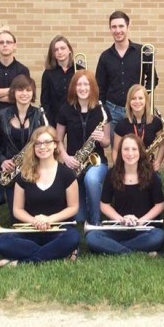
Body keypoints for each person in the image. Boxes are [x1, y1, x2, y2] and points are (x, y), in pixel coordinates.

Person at [0, 126, 80, 266]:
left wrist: (48, 219)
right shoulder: (24, 175)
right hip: (31, 229)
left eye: (47, 142)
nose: (42, 147)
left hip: (58, 229)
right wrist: (34, 221)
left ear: (55, 145)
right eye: (38, 143)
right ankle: (56, 253)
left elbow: (73, 207)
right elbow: (17, 209)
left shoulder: (67, 174)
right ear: (33, 147)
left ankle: (21, 262)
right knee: (2, 242)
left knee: (72, 238)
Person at [86, 134, 164, 255]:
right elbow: (104, 205)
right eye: (126, 149)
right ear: (120, 152)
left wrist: (141, 221)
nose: (130, 153)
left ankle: (116, 249)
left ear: (140, 152)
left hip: (143, 228)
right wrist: (121, 220)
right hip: (120, 227)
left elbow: (159, 204)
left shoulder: (151, 174)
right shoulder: (112, 174)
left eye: (134, 149)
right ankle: (135, 250)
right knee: (92, 237)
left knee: (159, 236)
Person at [0, 29, 30, 206]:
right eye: (1, 42)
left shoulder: (22, 69)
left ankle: (18, 197)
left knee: (18, 161)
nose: (5, 45)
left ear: (15, 45)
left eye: (9, 42)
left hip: (17, 124)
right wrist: (11, 91)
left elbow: (22, 95)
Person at [56, 70, 110, 225]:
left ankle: (95, 221)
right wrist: (66, 157)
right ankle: (86, 205)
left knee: (92, 179)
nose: (83, 88)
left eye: (86, 84)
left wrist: (102, 139)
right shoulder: (65, 110)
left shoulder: (102, 110)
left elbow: (106, 142)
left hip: (97, 162)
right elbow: (58, 140)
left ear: (92, 87)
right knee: (79, 218)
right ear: (74, 87)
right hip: (74, 164)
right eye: (79, 84)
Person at [96, 10, 159, 139]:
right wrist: (103, 113)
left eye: (121, 26)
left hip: (137, 110)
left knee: (140, 148)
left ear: (128, 26)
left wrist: (141, 96)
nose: (117, 30)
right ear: (110, 29)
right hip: (112, 111)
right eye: (114, 27)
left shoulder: (143, 52)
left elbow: (153, 79)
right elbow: (99, 87)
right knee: (118, 151)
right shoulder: (105, 56)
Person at [0, 75, 46, 214]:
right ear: (13, 92)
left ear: (33, 92)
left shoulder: (40, 115)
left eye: (28, 90)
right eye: (20, 90)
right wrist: (2, 161)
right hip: (12, 170)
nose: (24, 94)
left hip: (35, 167)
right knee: (16, 218)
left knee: (36, 212)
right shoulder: (0, 115)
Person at [112, 84, 164, 171]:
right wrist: (119, 169)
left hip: (148, 166)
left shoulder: (155, 122)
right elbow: (115, 150)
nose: (137, 101)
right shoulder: (121, 124)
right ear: (129, 101)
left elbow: (162, 145)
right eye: (133, 98)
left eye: (140, 98)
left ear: (146, 100)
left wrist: (158, 161)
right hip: (127, 167)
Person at [41, 35, 83, 129]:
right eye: (56, 50)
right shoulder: (48, 73)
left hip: (76, 116)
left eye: (63, 48)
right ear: (53, 53)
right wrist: (49, 121)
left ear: (69, 50)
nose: (59, 52)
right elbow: (45, 100)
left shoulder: (80, 69)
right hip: (54, 118)